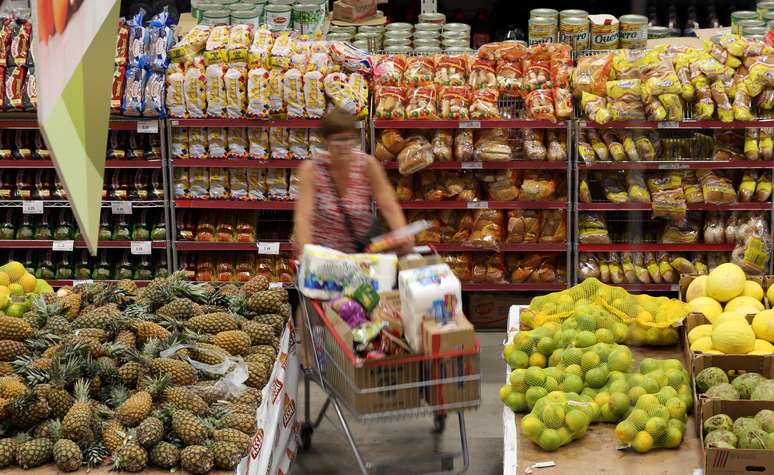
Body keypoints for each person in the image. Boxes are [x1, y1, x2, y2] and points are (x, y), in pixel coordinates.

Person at [293, 108, 413, 256]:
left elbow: (389, 206)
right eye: (337, 140)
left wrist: (402, 232)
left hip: (359, 256)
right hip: (323, 257)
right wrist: (307, 255)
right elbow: (303, 217)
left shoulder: (367, 165)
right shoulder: (311, 170)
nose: (343, 145)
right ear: (326, 141)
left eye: (348, 139)